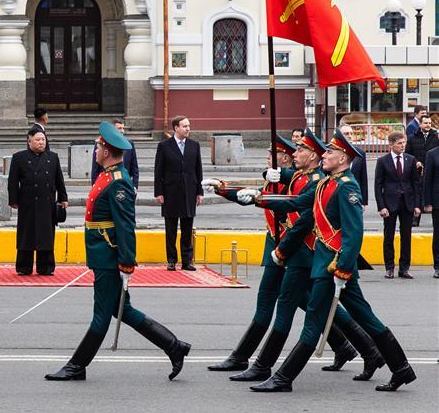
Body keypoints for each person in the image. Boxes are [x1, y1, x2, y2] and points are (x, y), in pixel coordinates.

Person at [247, 129, 416, 393]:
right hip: (328, 266)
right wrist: (258, 199)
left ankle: (283, 378)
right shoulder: (327, 183)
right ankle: (402, 369)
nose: (324, 155)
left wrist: (343, 270)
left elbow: (353, 233)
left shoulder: (347, 186)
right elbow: (298, 202)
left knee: (313, 322)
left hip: (334, 267)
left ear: (344, 158)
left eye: (330, 152)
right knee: (367, 318)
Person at [46, 122, 190, 382]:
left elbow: (125, 226)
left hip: (109, 258)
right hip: (102, 255)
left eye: (98, 146)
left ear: (108, 151)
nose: (95, 150)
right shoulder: (106, 175)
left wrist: (126, 262)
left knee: (101, 315)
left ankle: (76, 366)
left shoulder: (119, 181)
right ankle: (174, 346)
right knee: (123, 310)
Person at [203, 135, 295, 372]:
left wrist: (279, 179)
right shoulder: (274, 178)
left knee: (271, 303)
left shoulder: (293, 180)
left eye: (271, 154)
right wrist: (223, 189)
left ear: (284, 158)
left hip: (289, 248)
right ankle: (351, 347)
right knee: (302, 301)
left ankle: (242, 357)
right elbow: (252, 197)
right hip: (276, 245)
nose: (267, 157)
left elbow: (282, 204)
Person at [8, 128, 67, 275]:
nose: (41, 142)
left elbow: (59, 179)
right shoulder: (19, 157)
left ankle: (45, 267)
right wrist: (13, 200)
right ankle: (24, 267)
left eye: (43, 140)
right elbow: (13, 182)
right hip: (27, 202)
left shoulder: (52, 157)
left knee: (46, 234)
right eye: (38, 140)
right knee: (26, 234)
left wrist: (63, 198)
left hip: (47, 203)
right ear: (29, 141)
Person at [153, 115, 203, 271]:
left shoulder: (194, 145)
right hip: (170, 192)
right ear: (176, 128)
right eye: (184, 126)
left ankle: (187, 261)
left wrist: (199, 191)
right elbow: (158, 171)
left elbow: (198, 170)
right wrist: (158, 192)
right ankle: (171, 260)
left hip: (189, 192)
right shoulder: (164, 146)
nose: (188, 129)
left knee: (187, 230)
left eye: (189, 126)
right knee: (171, 230)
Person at [374, 131, 421, 279]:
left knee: (406, 237)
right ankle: (389, 268)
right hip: (389, 204)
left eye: (404, 142)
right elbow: (378, 185)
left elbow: (415, 183)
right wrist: (381, 206)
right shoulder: (383, 161)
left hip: (407, 203)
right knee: (389, 236)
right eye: (399, 143)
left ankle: (404, 268)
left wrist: (417, 205)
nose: (402, 146)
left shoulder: (410, 159)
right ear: (391, 145)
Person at [92, 118, 139, 190]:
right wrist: (94, 186)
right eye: (119, 128)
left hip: (124, 185)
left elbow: (134, 167)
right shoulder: (102, 144)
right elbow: (95, 167)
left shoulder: (129, 144)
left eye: (123, 128)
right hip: (106, 184)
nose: (122, 131)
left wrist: (135, 186)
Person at [339, 124, 368, 207]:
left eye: (351, 133)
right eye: (346, 134)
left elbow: (363, 178)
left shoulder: (360, 153)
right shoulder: (332, 152)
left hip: (354, 194)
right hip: (337, 192)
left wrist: (364, 202)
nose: (350, 136)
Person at [422, 146, 439, 279]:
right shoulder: (432, 154)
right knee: (438, 235)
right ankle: (438, 266)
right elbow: (427, 179)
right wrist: (427, 202)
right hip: (437, 202)